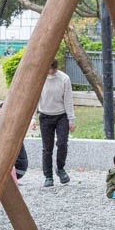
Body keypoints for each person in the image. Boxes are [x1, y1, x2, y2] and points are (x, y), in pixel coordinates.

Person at [31, 58, 75, 187]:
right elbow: (34, 99)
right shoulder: (39, 78)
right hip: (45, 116)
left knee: (62, 143)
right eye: (49, 70)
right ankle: (48, 176)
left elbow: (68, 100)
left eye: (53, 70)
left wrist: (71, 119)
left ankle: (60, 169)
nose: (50, 73)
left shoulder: (64, 79)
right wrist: (33, 118)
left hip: (61, 115)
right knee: (47, 148)